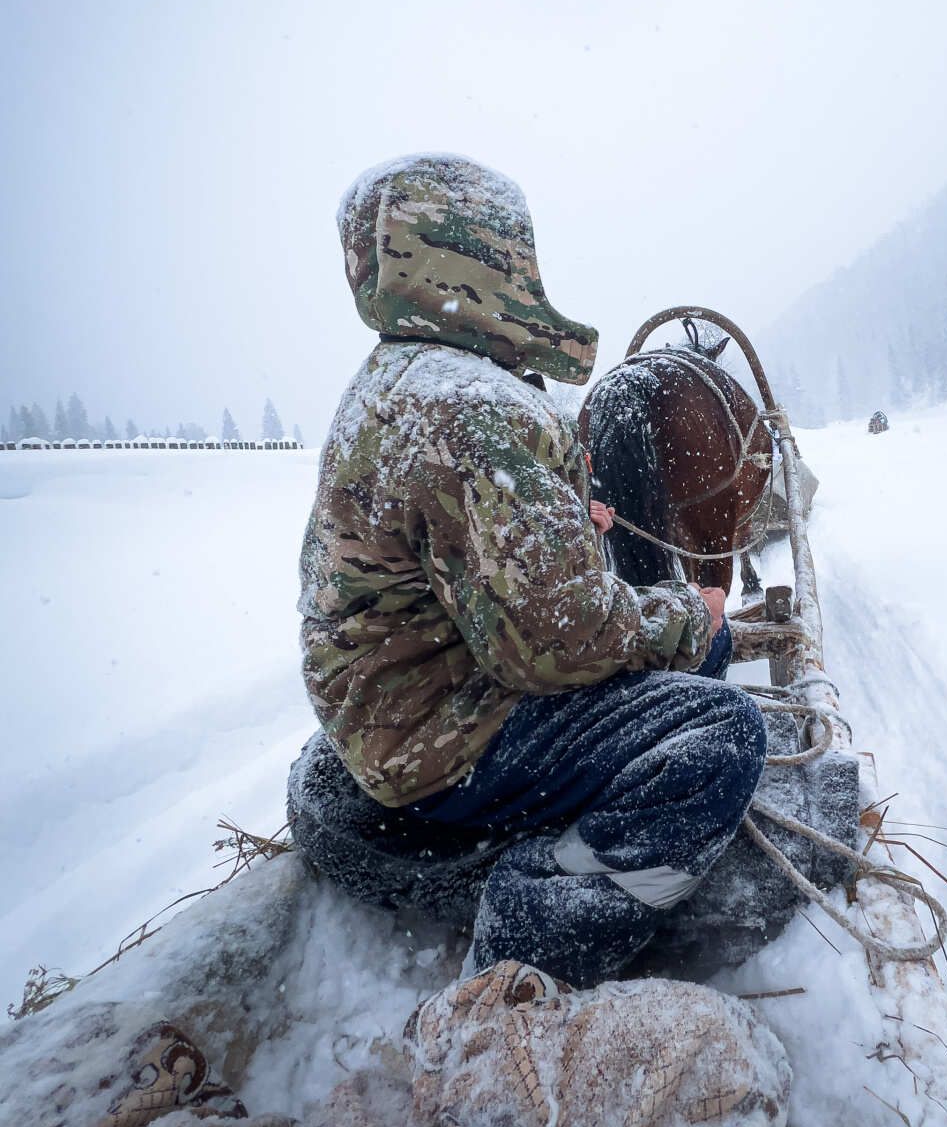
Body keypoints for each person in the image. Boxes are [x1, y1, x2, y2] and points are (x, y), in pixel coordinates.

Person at [298, 154, 766, 986]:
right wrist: (692, 612)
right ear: (486, 259)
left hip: (389, 711)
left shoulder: (397, 379)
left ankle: (565, 827)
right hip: (443, 738)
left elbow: (453, 560)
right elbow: (554, 644)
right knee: (726, 729)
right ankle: (527, 941)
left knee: (694, 662)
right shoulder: (476, 408)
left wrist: (561, 535)